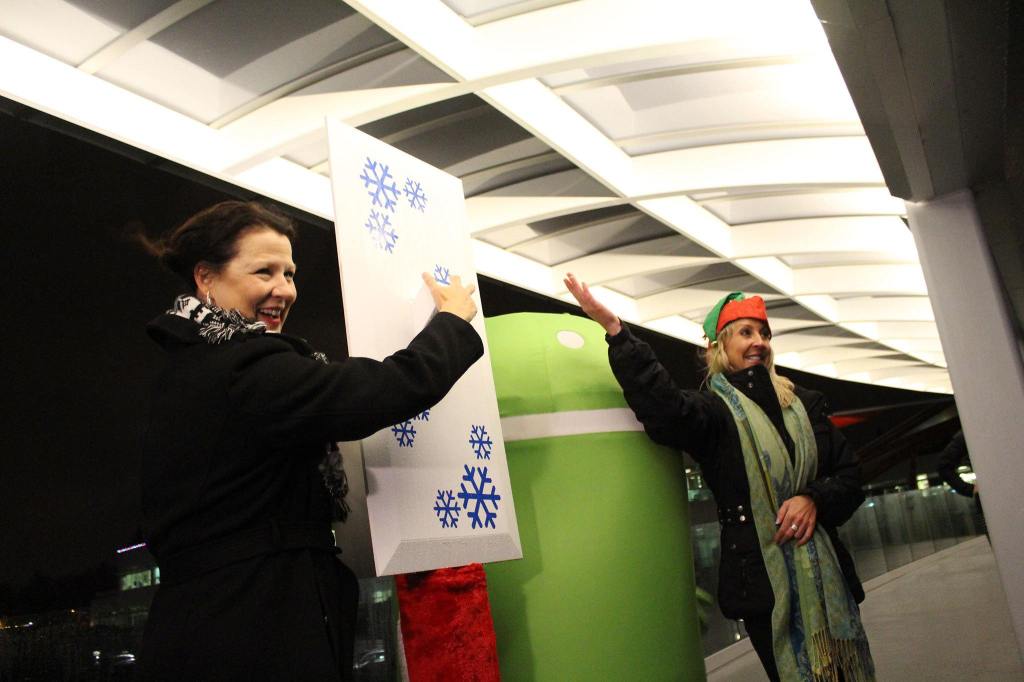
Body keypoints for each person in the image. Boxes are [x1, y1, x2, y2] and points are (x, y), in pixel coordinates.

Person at [137, 201, 483, 680]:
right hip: (250, 627)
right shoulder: (241, 369)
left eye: (290, 273)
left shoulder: (195, 365)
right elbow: (373, 394)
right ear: (206, 278)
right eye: (264, 271)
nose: (285, 289)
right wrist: (452, 324)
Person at [564, 275, 874, 682]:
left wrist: (813, 498)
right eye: (745, 332)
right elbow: (664, 408)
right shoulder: (712, 413)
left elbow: (850, 476)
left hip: (827, 574)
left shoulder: (805, 404)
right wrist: (617, 332)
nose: (758, 341)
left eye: (763, 332)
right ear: (719, 345)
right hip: (762, 584)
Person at [936, 429, 986, 535]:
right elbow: (943, 466)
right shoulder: (970, 432)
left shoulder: (971, 431)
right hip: (990, 499)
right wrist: (969, 489)